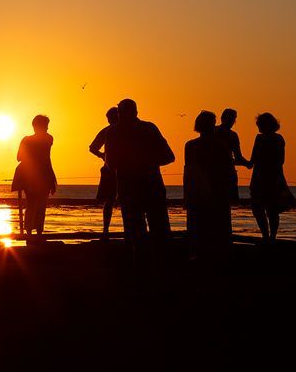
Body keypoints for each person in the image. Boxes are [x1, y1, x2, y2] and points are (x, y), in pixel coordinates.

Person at [103, 99, 174, 256]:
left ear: (119, 113)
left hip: (129, 189)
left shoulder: (113, 132)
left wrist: (130, 164)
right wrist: (148, 162)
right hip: (152, 185)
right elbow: (169, 156)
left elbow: (110, 163)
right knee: (159, 230)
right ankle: (161, 267)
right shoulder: (149, 128)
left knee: (135, 233)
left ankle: (140, 269)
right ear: (136, 112)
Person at [183, 111, 233, 261]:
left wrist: (188, 194)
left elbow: (188, 171)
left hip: (197, 191)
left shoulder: (190, 145)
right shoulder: (221, 146)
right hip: (217, 191)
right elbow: (228, 170)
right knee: (218, 227)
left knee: (197, 227)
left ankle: (197, 255)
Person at [12, 115, 57, 236]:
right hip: (40, 176)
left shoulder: (27, 140)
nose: (47, 128)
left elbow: (19, 157)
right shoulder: (48, 139)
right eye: (46, 125)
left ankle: (30, 232)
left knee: (32, 204)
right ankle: (37, 232)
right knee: (39, 205)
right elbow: (46, 159)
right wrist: (52, 179)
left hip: (30, 177)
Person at [249, 112, 291, 241]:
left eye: (259, 125)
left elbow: (253, 160)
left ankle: (266, 236)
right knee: (272, 209)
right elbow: (281, 160)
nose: (258, 128)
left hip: (260, 177)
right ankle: (272, 236)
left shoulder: (260, 139)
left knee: (258, 208)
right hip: (275, 176)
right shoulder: (279, 139)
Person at [89, 107, 120, 237]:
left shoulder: (107, 131)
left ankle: (106, 230)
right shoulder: (110, 131)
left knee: (109, 201)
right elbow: (93, 148)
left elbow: (93, 148)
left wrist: (102, 155)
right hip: (113, 169)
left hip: (111, 169)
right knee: (114, 200)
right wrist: (102, 155)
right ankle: (106, 230)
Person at [217, 108, 252, 202]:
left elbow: (238, 158)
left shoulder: (231, 135)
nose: (232, 121)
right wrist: (248, 164)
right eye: (231, 118)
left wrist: (247, 163)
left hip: (223, 174)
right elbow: (239, 158)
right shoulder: (231, 135)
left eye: (233, 119)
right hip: (224, 174)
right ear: (222, 118)